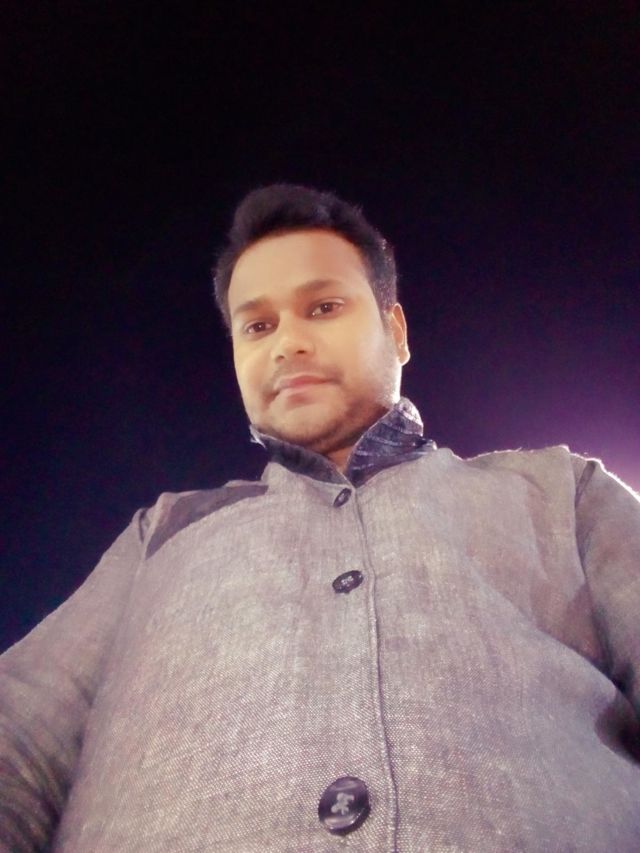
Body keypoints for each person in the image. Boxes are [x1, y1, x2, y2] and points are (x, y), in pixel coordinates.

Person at [1, 184, 639, 852]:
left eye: (323, 307)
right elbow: (18, 733)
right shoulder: (162, 533)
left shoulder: (559, 492)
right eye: (257, 326)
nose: (288, 343)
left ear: (396, 331)